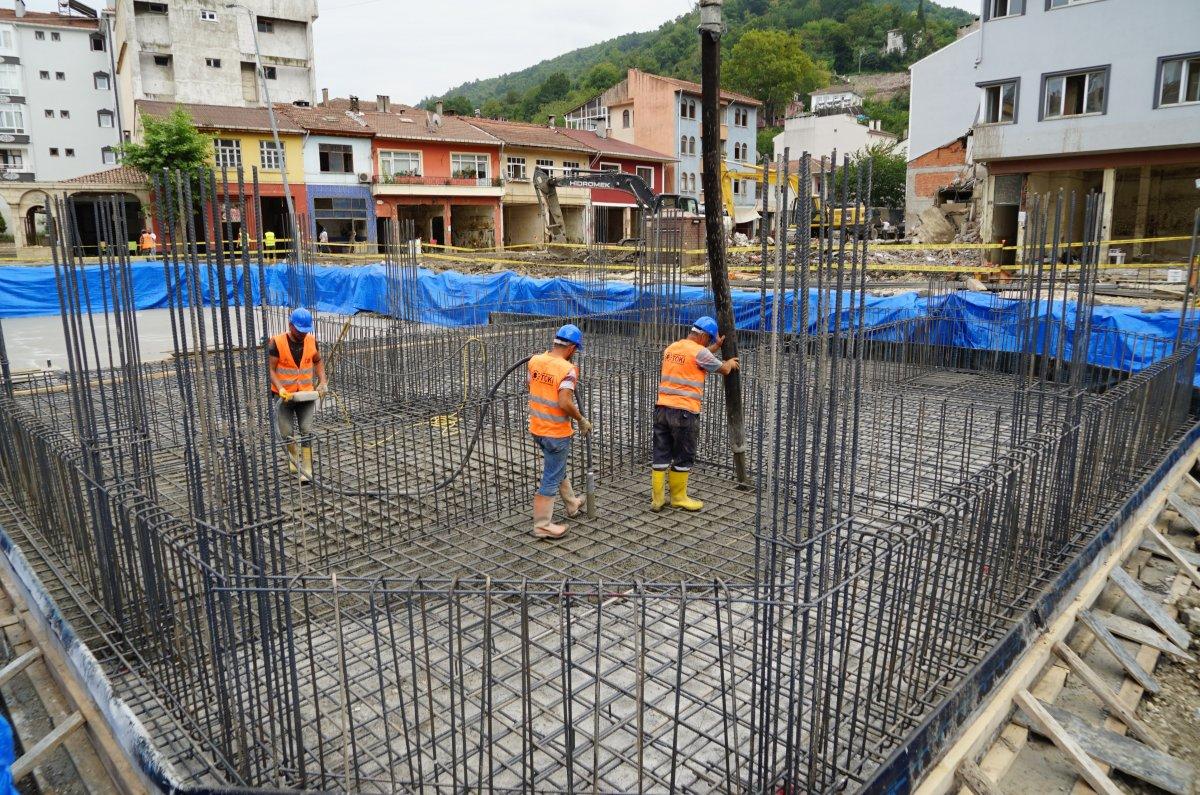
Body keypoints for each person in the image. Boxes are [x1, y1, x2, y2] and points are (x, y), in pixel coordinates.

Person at [651, 315, 739, 512]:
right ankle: (678, 498)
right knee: (684, 454)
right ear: (704, 337)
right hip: (684, 412)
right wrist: (730, 363)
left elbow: (695, 358)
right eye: (709, 339)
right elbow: (723, 369)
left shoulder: (672, 348)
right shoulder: (700, 352)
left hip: (662, 409)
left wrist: (712, 349)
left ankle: (657, 499)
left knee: (661, 452)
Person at [527, 324, 592, 539]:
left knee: (557, 467)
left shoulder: (535, 360)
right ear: (572, 348)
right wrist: (581, 419)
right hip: (556, 432)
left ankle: (572, 504)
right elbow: (564, 402)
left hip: (537, 428)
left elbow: (533, 387)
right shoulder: (567, 369)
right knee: (551, 477)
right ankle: (542, 525)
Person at [268, 308, 328, 483]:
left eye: (305, 330)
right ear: (290, 325)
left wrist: (322, 381)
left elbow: (318, 360)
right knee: (287, 433)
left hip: (305, 395)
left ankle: (307, 468)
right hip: (283, 396)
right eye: (299, 330)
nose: (302, 334)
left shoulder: (311, 341)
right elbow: (271, 369)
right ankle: (293, 458)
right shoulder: (276, 343)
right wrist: (280, 388)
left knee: (306, 430)